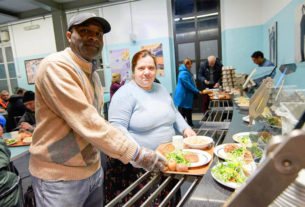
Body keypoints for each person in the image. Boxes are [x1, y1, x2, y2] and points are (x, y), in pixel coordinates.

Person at [29, 13, 166, 207]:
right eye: (84, 31)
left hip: (92, 170)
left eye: (98, 33)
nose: (93, 37)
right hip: (59, 177)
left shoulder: (92, 73)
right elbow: (87, 121)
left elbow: (98, 120)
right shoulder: (56, 66)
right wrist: (137, 154)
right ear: (69, 36)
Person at [106, 50, 196, 205]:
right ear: (133, 71)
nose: (146, 72)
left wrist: (186, 128)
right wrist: (139, 154)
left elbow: (174, 112)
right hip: (139, 166)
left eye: (151, 68)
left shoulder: (160, 89)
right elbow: (116, 128)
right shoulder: (124, 94)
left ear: (156, 70)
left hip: (166, 161)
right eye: (141, 68)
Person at [174, 58, 202, 127]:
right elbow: (188, 85)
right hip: (184, 96)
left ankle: (188, 124)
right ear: (187, 64)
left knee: (187, 110)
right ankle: (184, 125)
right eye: (190, 64)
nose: (191, 66)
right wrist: (197, 91)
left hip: (185, 95)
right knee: (184, 111)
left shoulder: (185, 72)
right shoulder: (184, 73)